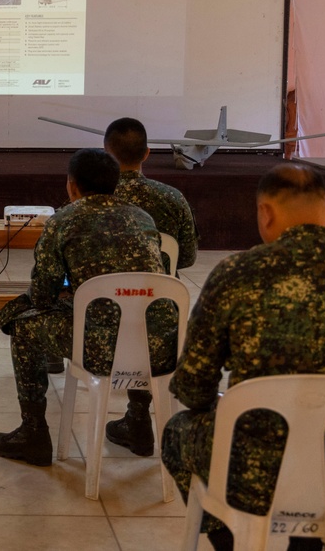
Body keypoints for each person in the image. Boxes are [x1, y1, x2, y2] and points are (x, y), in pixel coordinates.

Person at [162, 164, 325, 551]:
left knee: (178, 431)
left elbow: (192, 387)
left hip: (254, 473)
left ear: (265, 213)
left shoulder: (236, 273)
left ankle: (235, 537)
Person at [0, 148, 176, 466]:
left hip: (101, 350)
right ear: (115, 184)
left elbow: (44, 298)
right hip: (162, 347)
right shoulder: (143, 218)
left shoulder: (63, 221)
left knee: (23, 325)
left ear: (72, 185)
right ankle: (138, 422)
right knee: (138, 318)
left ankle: (33, 433)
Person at [101, 116, 199, 455]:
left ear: (105, 152)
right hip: (160, 320)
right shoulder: (172, 198)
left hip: (100, 321)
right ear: (147, 154)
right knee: (149, 303)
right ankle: (138, 413)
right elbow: (185, 258)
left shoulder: (93, 201)